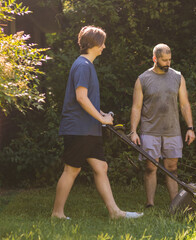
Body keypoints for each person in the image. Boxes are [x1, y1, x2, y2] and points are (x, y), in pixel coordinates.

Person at [51, 26, 143, 219]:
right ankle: (57, 213)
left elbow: (89, 100)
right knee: (71, 169)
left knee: (101, 167)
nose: (104, 47)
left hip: (89, 129)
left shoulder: (86, 65)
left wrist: (102, 115)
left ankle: (115, 212)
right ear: (94, 44)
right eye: (102, 43)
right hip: (79, 129)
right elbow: (81, 98)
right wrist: (101, 118)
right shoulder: (83, 66)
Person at [130, 43, 196, 208]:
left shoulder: (177, 77)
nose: (168, 63)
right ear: (155, 59)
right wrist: (133, 131)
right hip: (149, 130)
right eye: (164, 60)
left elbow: (184, 104)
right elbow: (136, 107)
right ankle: (150, 203)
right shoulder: (143, 79)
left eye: (169, 60)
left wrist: (190, 128)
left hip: (172, 130)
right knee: (150, 167)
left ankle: (175, 203)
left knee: (172, 168)